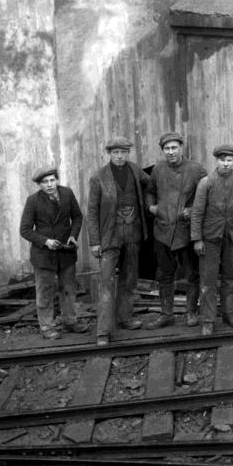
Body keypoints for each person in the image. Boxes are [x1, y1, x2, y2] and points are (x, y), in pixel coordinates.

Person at [88, 136, 150, 346]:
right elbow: (91, 211)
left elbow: (152, 186)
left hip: (133, 233)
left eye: (123, 152)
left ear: (128, 153)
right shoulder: (99, 177)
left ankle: (125, 317)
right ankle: (104, 331)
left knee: (130, 278)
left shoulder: (136, 171)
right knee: (106, 282)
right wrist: (95, 241)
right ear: (109, 153)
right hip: (109, 236)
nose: (120, 156)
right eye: (116, 152)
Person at [145, 132, 207, 329]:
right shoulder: (158, 169)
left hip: (186, 230)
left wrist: (193, 210)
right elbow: (150, 191)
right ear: (162, 150)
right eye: (167, 149)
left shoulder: (196, 170)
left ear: (181, 148)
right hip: (162, 230)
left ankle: (191, 312)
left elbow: (207, 195)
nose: (171, 152)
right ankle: (166, 314)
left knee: (192, 274)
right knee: (164, 274)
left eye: (174, 148)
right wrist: (151, 207)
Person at [190, 145, 233, 335]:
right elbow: (197, 212)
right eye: (223, 160)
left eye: (230, 160)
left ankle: (228, 314)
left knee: (230, 277)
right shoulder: (206, 183)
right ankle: (208, 320)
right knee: (208, 280)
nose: (226, 164)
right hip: (210, 238)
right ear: (216, 161)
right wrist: (197, 239)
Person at [19, 166, 87, 339]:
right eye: (45, 182)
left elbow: (77, 217)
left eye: (52, 180)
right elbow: (25, 230)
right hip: (44, 255)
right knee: (45, 292)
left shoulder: (67, 194)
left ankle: (70, 321)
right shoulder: (33, 201)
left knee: (68, 289)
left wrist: (73, 236)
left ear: (57, 180)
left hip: (65, 252)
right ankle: (47, 327)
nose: (49, 185)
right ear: (39, 185)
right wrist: (46, 241)